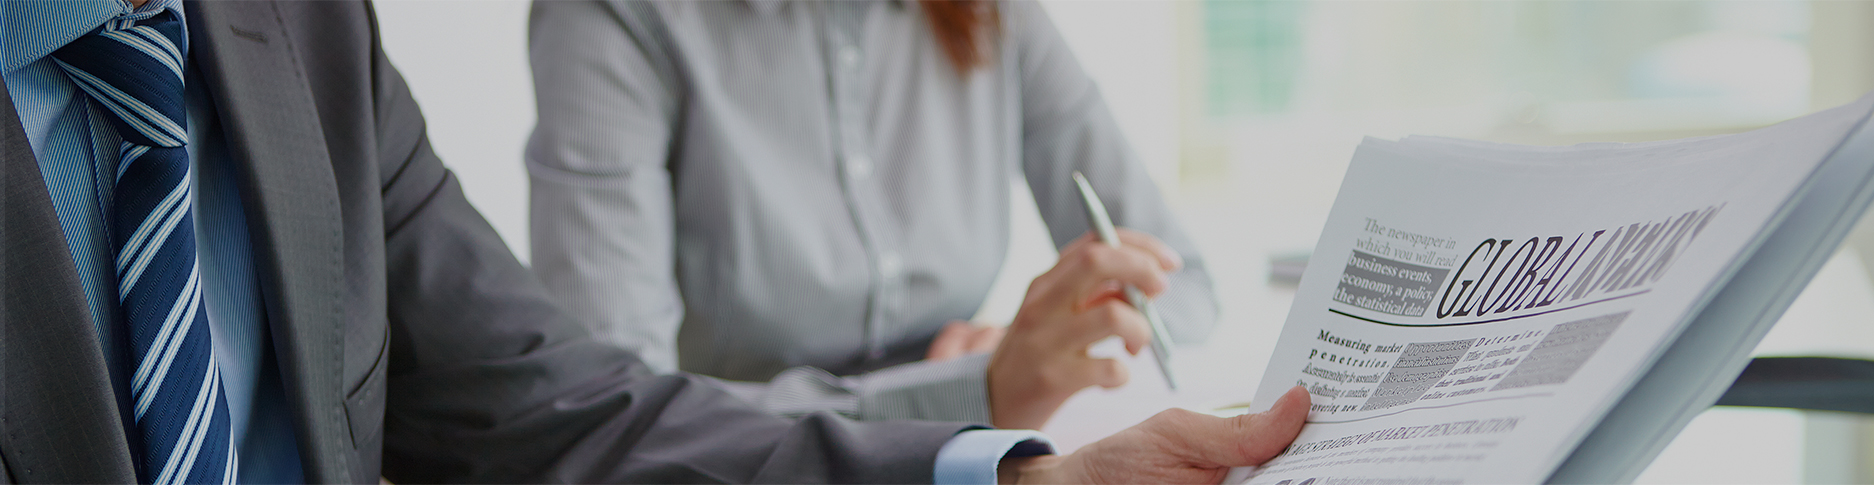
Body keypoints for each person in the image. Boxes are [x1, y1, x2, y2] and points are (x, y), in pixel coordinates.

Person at [0, 0, 1311, 482]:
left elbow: (564, 416)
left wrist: (1022, 473)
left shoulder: (305, 34)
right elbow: (620, 370)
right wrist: (969, 383)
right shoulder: (620, 25)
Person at [526, 0, 1219, 431]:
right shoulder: (616, 17)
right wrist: (964, 391)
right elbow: (616, 413)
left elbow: (1182, 290)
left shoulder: (997, 13)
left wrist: (1029, 353)